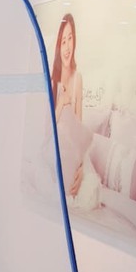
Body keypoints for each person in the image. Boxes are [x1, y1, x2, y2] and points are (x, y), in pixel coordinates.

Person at [50, 13, 85, 196]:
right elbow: (48, 129)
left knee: (85, 190)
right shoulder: (53, 81)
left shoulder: (78, 79)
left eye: (70, 38)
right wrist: (61, 103)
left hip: (72, 154)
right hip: (55, 152)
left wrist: (82, 166)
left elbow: (80, 130)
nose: (67, 46)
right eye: (63, 41)